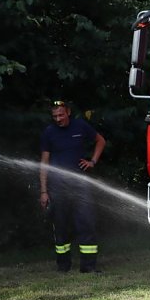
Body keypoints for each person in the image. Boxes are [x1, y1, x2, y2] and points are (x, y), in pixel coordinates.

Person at [39, 100, 106, 273]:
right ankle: (63, 266)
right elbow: (44, 163)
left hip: (80, 184)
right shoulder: (49, 132)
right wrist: (44, 191)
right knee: (60, 226)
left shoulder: (80, 126)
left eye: (61, 115)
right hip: (57, 186)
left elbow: (101, 141)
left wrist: (92, 161)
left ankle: (88, 267)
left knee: (86, 223)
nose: (58, 119)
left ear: (68, 112)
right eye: (54, 116)